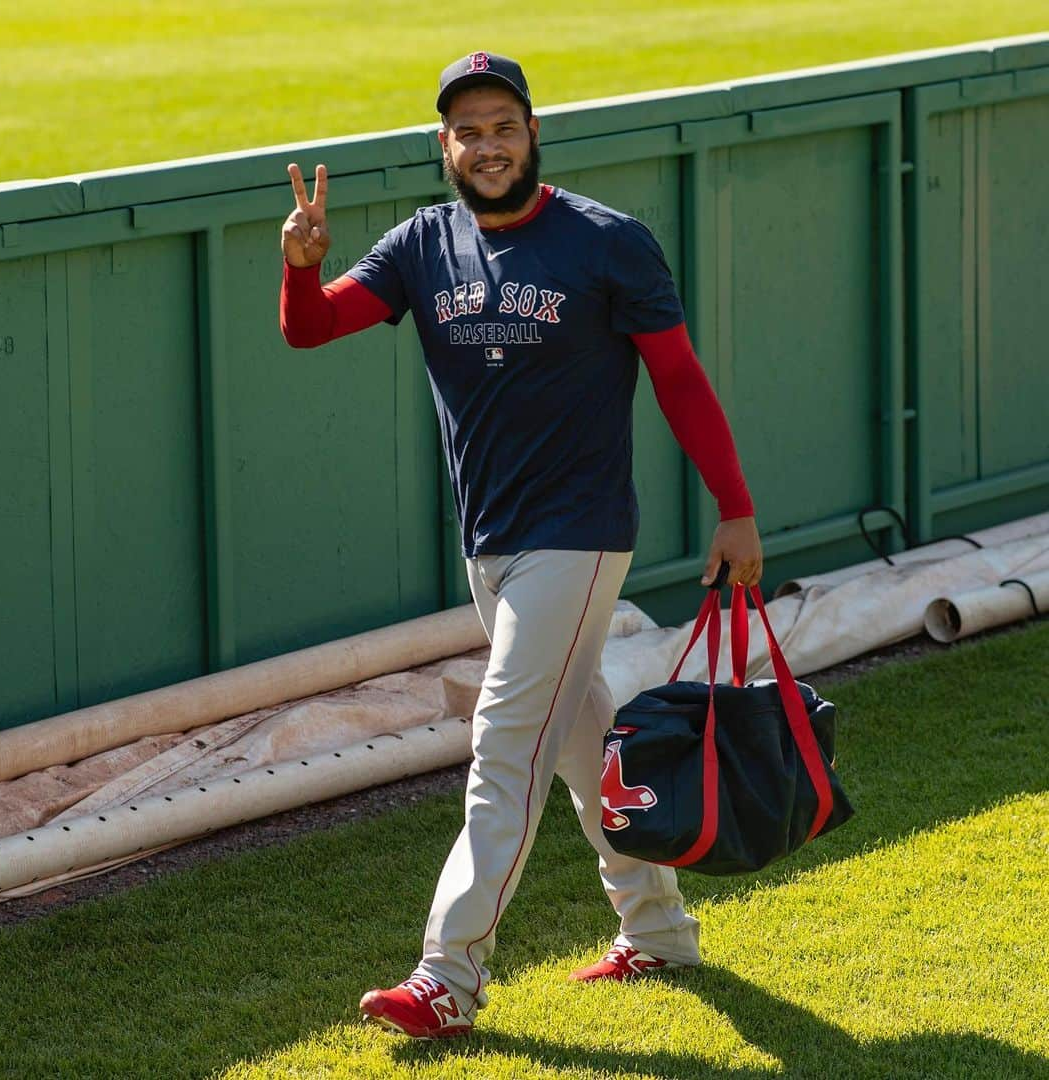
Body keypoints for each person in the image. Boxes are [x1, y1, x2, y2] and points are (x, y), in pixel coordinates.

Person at [279, 51, 764, 1039]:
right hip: (492, 544)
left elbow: (679, 379)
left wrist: (735, 507)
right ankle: (658, 929)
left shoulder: (606, 243)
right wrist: (300, 263)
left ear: (533, 133)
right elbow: (313, 330)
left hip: (580, 538)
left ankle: (446, 977)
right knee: (582, 740)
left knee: (503, 743)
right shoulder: (423, 244)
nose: (488, 144)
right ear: (444, 145)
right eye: (469, 129)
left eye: (504, 125)